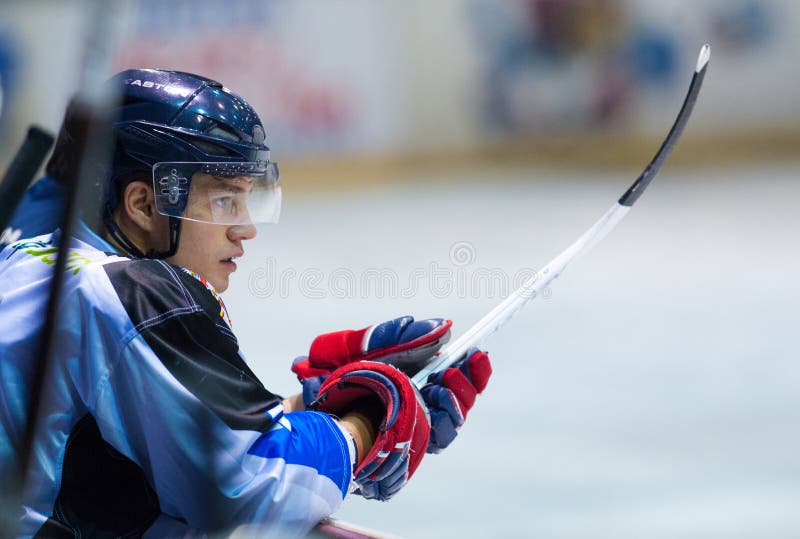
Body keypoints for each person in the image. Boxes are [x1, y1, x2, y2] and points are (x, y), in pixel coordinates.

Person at [0, 69, 492, 536]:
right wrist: (372, 417)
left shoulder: (24, 256)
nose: (245, 228)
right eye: (223, 200)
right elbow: (253, 489)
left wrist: (308, 404)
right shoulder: (134, 292)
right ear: (144, 204)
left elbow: (140, 433)